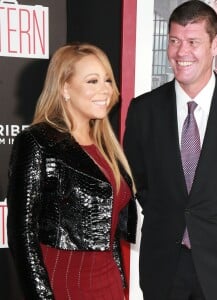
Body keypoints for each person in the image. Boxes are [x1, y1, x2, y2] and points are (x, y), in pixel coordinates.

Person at [124, 1, 217, 300]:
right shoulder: (144, 110)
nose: (182, 52)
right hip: (163, 266)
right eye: (174, 41)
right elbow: (138, 179)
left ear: (215, 43)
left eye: (193, 41)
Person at [6, 43, 137, 300]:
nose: (105, 90)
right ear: (65, 88)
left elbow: (108, 232)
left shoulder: (106, 147)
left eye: (107, 80)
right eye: (92, 81)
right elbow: (22, 232)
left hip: (107, 282)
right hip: (66, 283)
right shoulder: (39, 141)